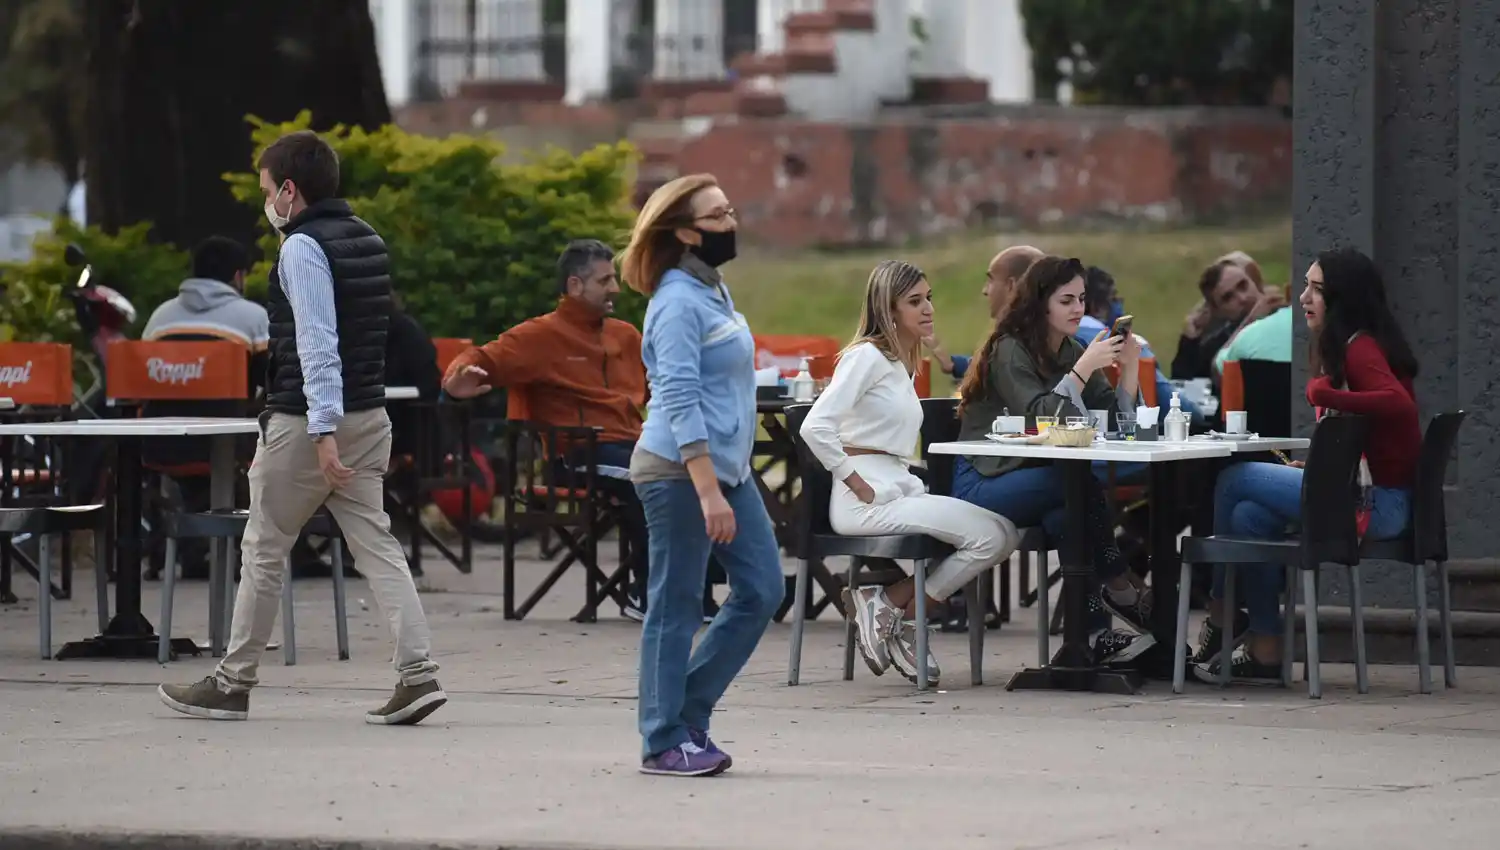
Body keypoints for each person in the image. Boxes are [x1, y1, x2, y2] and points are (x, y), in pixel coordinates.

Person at [158, 130, 445, 725]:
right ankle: (418, 675)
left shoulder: (301, 248)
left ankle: (232, 682)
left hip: (307, 421)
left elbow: (317, 342)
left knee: (263, 549)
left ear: (290, 190)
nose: (266, 203)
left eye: (267, 190)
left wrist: (320, 432)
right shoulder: (368, 237)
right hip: (370, 415)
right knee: (379, 546)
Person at [445, 239, 705, 621]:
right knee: (654, 478)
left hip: (635, 444)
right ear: (574, 286)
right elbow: (482, 357)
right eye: (605, 280)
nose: (616, 288)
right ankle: (647, 593)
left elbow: (664, 388)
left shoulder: (626, 336)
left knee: (702, 473)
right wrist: (457, 378)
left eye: (614, 278)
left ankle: (698, 591)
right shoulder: (539, 336)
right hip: (576, 454)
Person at [1193, 247, 1421, 683]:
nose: (1303, 297)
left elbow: (1399, 406)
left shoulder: (1359, 348)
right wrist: (1319, 464)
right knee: (1247, 516)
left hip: (1377, 507)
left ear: (1344, 298)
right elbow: (1372, 437)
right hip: (1369, 497)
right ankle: (1264, 649)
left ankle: (1223, 613)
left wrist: (1326, 394)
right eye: (1306, 286)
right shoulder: (1360, 344)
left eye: (1317, 289)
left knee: (1234, 477)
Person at [620, 173, 784, 777]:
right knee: (677, 604)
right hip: (678, 472)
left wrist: (726, 476)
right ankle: (663, 740)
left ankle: (686, 710)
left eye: (731, 209)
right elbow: (680, 398)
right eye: (718, 216)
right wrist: (709, 490)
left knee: (764, 588)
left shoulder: (711, 289)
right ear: (686, 232)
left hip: (727, 470)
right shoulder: (674, 302)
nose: (731, 222)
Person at [800, 260, 1019, 686]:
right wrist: (853, 479)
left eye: (929, 298)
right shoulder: (865, 356)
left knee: (1006, 535)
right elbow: (815, 425)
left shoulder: (900, 364)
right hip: (866, 501)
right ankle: (899, 615)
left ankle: (889, 607)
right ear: (888, 308)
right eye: (914, 301)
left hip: (896, 486)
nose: (928, 309)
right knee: (990, 537)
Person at [950, 255, 1154, 662]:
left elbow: (1117, 426)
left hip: (1038, 483)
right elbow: (1043, 416)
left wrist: (1128, 369)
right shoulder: (1009, 350)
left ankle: (1090, 639)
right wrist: (1081, 370)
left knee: (1068, 515)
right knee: (1075, 485)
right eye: (1066, 301)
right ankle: (1120, 586)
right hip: (983, 481)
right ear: (1040, 303)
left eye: (1081, 299)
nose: (1078, 309)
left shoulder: (1072, 349)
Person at [139, 236, 269, 579]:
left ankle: (191, 549)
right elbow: (273, 381)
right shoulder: (253, 318)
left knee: (196, 474)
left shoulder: (160, 318)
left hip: (160, 445)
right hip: (227, 446)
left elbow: (141, 379)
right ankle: (260, 552)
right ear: (238, 276)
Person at [926, 244, 1044, 379]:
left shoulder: (1048, 342)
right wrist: (953, 364)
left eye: (990, 280)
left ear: (1011, 285)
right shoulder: (1028, 334)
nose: (985, 291)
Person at [1172, 254, 1276, 381]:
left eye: (1243, 285)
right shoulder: (1216, 346)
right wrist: (1189, 339)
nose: (1242, 298)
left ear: (1253, 281)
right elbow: (1182, 385)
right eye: (1228, 298)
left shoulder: (1288, 312)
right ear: (1218, 311)